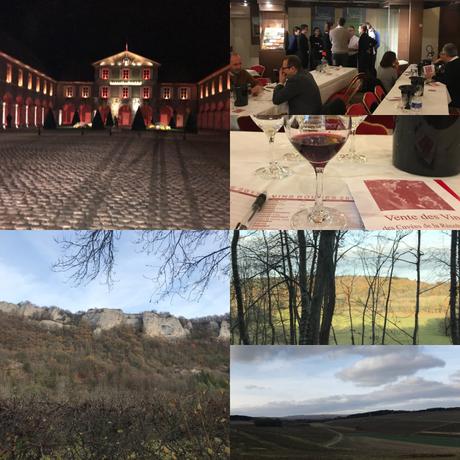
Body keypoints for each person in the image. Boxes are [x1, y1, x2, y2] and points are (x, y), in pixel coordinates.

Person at [434, 43, 460, 108]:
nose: (441, 56)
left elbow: (445, 81)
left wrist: (433, 77)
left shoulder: (451, 65)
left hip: (454, 98)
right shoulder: (456, 62)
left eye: (442, 53)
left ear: (446, 54)